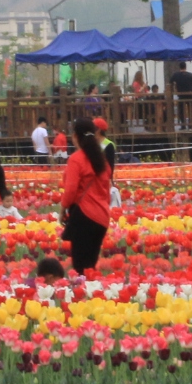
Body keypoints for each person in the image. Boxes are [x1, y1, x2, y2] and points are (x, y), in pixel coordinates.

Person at [60, 117, 112, 275]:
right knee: (90, 266)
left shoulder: (76, 159)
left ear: (75, 136)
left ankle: (83, 297)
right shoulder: (102, 160)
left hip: (84, 215)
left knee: (80, 267)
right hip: (101, 218)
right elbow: (106, 191)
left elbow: (70, 190)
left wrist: (62, 209)